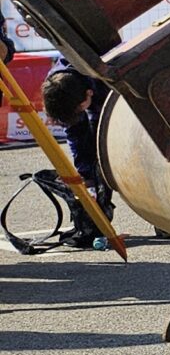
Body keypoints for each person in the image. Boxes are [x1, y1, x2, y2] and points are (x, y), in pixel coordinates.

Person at [39, 67, 115, 247]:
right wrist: (85, 174)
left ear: (89, 93)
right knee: (89, 163)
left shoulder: (102, 82)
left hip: (107, 86)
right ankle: (93, 217)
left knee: (103, 149)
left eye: (81, 108)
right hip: (83, 91)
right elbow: (75, 134)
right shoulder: (58, 90)